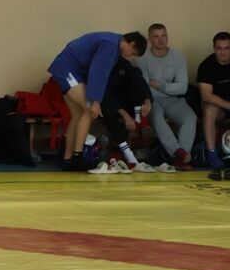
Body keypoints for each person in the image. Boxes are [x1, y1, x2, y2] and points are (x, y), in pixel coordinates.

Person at [48, 31, 147, 170]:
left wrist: (96, 99)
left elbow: (99, 72)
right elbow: (98, 72)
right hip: (68, 69)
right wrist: (95, 100)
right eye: (133, 53)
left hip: (67, 68)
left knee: (77, 116)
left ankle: (68, 159)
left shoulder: (112, 42)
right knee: (89, 111)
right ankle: (77, 156)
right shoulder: (111, 45)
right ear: (131, 44)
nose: (130, 56)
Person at [137, 24, 195, 169]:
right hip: (151, 100)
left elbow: (183, 87)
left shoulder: (177, 57)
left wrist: (160, 85)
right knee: (157, 118)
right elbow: (144, 87)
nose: (161, 39)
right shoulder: (143, 58)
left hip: (172, 99)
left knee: (190, 117)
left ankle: (181, 156)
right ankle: (178, 153)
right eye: (156, 36)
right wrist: (169, 87)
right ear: (150, 39)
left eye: (163, 36)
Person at [88, 56, 154, 173]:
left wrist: (147, 100)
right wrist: (125, 115)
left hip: (129, 103)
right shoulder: (101, 69)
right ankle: (128, 153)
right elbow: (106, 95)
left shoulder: (125, 67)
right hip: (107, 104)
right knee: (106, 108)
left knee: (136, 72)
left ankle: (139, 117)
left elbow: (140, 83)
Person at [197, 31, 230, 170]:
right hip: (219, 108)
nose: (223, 52)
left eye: (227, 48)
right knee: (209, 109)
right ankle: (212, 155)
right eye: (219, 48)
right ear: (214, 48)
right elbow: (206, 96)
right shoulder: (206, 66)